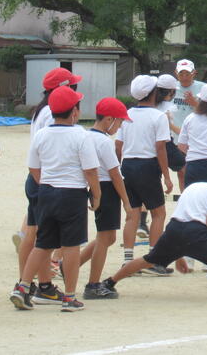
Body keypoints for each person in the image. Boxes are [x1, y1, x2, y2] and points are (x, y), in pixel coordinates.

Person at [10, 86, 100, 312]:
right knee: (71, 246)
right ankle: (69, 297)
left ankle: (22, 287)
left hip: (46, 192)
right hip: (72, 193)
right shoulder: (81, 134)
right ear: (75, 112)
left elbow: (33, 167)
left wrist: (47, 183)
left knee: (42, 244)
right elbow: (90, 170)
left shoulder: (41, 134)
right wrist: (96, 194)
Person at [15, 67, 81, 297]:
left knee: (36, 234)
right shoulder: (50, 113)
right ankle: (32, 284)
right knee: (39, 237)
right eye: (73, 85)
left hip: (40, 178)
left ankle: (36, 284)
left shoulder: (41, 109)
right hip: (46, 179)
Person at [78, 98, 136, 299]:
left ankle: (72, 264)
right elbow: (115, 174)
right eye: (119, 122)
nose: (119, 127)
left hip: (95, 186)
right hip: (107, 188)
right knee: (105, 237)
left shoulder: (86, 136)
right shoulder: (104, 142)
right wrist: (126, 202)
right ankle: (93, 284)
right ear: (109, 119)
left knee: (108, 236)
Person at [116, 75, 173, 276]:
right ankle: (153, 260)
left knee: (132, 215)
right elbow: (160, 148)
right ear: (153, 93)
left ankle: (128, 261)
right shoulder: (158, 116)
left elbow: (118, 146)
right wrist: (166, 176)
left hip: (128, 165)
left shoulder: (127, 115)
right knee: (159, 213)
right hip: (147, 166)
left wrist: (118, 169)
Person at [170, 59, 205, 193]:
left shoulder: (202, 88)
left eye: (187, 73)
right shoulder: (171, 88)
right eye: (181, 73)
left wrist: (194, 103)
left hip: (196, 137)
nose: (184, 77)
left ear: (194, 73)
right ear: (176, 73)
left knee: (196, 171)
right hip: (175, 137)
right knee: (182, 171)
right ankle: (184, 196)